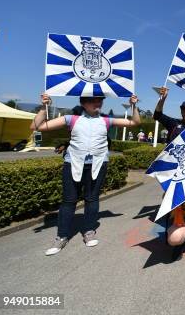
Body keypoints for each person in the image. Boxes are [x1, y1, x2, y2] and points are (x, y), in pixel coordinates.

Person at [31, 93, 140, 256]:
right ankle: (62, 236)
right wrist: (43, 107)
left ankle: (89, 231)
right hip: (73, 163)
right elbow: (36, 126)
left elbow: (135, 122)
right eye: (93, 100)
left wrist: (133, 106)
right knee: (68, 201)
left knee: (92, 199)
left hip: (98, 164)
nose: (98, 103)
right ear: (83, 102)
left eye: (100, 100)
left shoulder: (106, 120)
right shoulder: (71, 118)